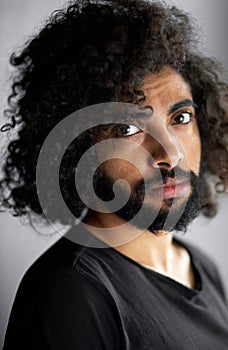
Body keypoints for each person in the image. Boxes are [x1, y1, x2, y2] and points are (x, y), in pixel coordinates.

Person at [1, 0, 228, 349]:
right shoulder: (71, 293)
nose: (170, 154)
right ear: (76, 149)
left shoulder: (203, 269)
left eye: (180, 118)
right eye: (127, 129)